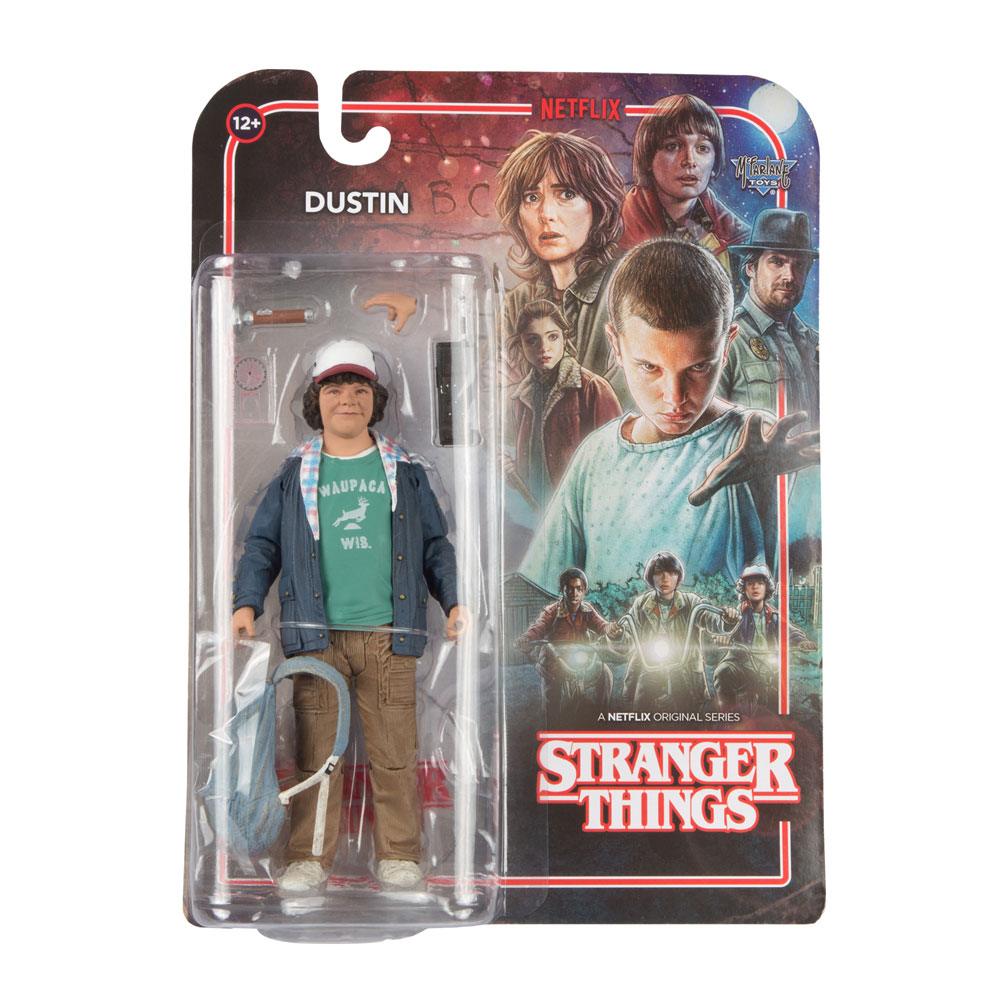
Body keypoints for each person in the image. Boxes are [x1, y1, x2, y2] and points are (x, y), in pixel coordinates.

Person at [232, 339, 469, 894]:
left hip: (391, 637)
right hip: (316, 641)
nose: (347, 399)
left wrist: (453, 601)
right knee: (317, 757)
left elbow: (436, 545)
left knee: (395, 756)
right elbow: (262, 544)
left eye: (360, 389)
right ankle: (308, 857)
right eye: (335, 388)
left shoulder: (405, 472)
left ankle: (400, 854)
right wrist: (246, 603)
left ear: (375, 399)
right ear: (316, 400)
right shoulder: (293, 475)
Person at [518, 238, 819, 593]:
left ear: (727, 344)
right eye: (649, 367)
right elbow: (545, 589)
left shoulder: (751, 440)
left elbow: (771, 580)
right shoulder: (596, 455)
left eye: (698, 367)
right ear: (616, 345)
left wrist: (765, 482)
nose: (675, 398)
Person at [495, 130, 628, 401]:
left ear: (598, 205)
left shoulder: (627, 288)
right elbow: (493, 398)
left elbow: (622, 405)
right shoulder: (514, 303)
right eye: (531, 197)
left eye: (566, 194)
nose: (546, 214)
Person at [505, 299, 621, 508]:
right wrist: (511, 471)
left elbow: (614, 461)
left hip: (582, 510)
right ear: (521, 344)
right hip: (538, 514)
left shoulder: (592, 388)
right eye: (532, 340)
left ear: (565, 339)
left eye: (552, 337)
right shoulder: (521, 398)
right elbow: (531, 470)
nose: (544, 348)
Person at [620, 94, 749, 280]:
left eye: (702, 148)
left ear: (715, 160)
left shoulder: (733, 235)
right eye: (672, 146)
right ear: (648, 157)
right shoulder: (615, 231)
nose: (689, 160)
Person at [718, 209, 820, 426]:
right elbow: (708, 432)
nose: (789, 276)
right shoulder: (725, 340)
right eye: (777, 262)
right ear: (750, 267)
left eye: (799, 265)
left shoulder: (814, 343)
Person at [621, 551, 730, 712]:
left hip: (684, 667)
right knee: (640, 710)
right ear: (651, 576)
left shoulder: (690, 601)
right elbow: (627, 633)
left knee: (689, 712)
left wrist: (727, 619)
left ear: (678, 576)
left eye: (671, 572)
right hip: (649, 665)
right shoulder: (641, 603)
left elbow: (710, 618)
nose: (665, 578)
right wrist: (616, 634)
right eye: (658, 572)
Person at [516, 567, 621, 722]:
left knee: (605, 674)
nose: (574, 593)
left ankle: (602, 715)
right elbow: (538, 627)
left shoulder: (587, 610)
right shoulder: (552, 611)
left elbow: (601, 625)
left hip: (581, 658)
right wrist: (526, 638)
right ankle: (551, 727)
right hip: (555, 660)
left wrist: (610, 629)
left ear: (584, 590)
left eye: (579, 589)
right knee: (552, 694)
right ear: (563, 590)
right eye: (570, 589)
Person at [713, 564, 818, 708]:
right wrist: (723, 637)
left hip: (768, 666)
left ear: (767, 588)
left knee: (778, 695)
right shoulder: (738, 614)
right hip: (741, 665)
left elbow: (790, 631)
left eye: (760, 583)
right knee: (722, 672)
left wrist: (802, 642)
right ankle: (728, 713)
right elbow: (726, 629)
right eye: (750, 584)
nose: (755, 587)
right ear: (744, 589)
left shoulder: (773, 616)